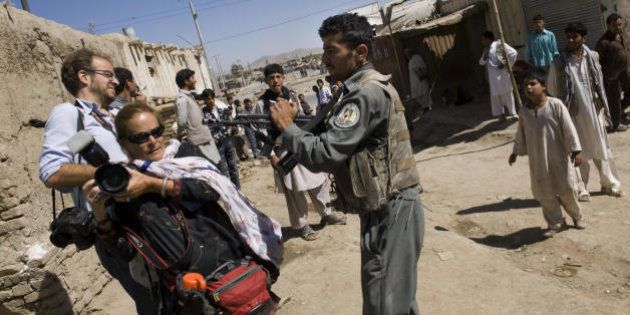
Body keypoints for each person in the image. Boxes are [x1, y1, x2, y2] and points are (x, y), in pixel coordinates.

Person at [270, 13, 424, 314]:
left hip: (391, 210)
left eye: (332, 50)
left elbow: (324, 154)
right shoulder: (357, 89)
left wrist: (288, 129)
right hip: (384, 208)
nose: (325, 59)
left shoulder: (365, 94)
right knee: (395, 298)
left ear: (360, 52)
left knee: (384, 301)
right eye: (323, 50)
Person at [83, 104, 281, 313]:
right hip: (187, 291)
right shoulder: (122, 184)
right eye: (141, 137)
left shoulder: (184, 156)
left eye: (156, 132)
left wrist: (153, 185)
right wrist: (99, 212)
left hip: (230, 265)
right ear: (123, 143)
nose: (152, 141)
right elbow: (124, 251)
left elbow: (209, 189)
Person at [38, 48, 156, 315]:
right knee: (152, 301)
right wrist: (110, 173)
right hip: (114, 225)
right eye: (108, 74)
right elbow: (51, 171)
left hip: (144, 216)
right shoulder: (68, 113)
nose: (115, 80)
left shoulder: (107, 116)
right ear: (84, 77)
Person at [258, 63, 347, 241]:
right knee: (294, 190)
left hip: (300, 142)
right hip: (282, 150)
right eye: (271, 78)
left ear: (283, 77)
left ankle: (327, 214)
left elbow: (301, 121)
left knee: (319, 180)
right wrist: (272, 156)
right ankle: (302, 225)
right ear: (266, 81)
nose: (275, 80)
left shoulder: (291, 96)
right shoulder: (262, 104)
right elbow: (261, 132)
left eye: (278, 76)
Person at [548, 22, 624, 199]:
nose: (571, 40)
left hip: (594, 111)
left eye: (575, 36)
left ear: (584, 38)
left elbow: (599, 84)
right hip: (573, 114)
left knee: (601, 147)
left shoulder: (593, 57)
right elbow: (552, 88)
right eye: (568, 37)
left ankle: (609, 184)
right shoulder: (559, 63)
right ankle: (581, 187)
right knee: (577, 149)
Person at [509, 70, 586, 238]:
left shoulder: (555, 105)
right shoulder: (524, 112)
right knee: (544, 193)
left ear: (543, 86)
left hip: (558, 157)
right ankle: (556, 222)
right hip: (537, 160)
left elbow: (569, 128)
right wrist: (515, 152)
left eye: (532, 84)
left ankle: (577, 216)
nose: (528, 88)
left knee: (567, 189)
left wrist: (576, 150)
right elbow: (520, 133)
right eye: (525, 85)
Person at [174, 68, 221, 165]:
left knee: (216, 168)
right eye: (192, 78)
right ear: (186, 81)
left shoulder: (189, 97)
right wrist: (180, 137)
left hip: (204, 140)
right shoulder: (182, 99)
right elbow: (182, 122)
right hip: (198, 142)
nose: (195, 80)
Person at [200, 88, 241, 189]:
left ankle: (237, 189)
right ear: (204, 100)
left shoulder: (221, 110)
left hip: (227, 141)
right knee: (223, 170)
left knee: (233, 167)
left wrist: (231, 120)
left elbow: (229, 123)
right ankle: (227, 191)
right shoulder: (202, 114)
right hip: (216, 145)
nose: (211, 101)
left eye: (212, 98)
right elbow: (201, 130)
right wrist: (210, 139)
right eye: (208, 99)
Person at [596, 13, 629, 132]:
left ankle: (621, 111)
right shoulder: (603, 42)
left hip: (624, 72)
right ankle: (615, 123)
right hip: (611, 76)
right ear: (608, 26)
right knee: (613, 100)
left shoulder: (620, 35)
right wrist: (606, 77)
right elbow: (598, 62)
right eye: (615, 25)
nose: (618, 27)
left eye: (620, 24)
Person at [479, 30, 518, 120]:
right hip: (493, 77)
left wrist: (506, 64)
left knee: (507, 93)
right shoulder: (486, 49)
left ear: (487, 39)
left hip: (503, 75)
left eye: (483, 39)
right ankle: (500, 115)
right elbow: (481, 62)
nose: (482, 42)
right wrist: (485, 55)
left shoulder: (499, 45)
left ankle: (513, 113)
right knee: (496, 97)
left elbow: (513, 53)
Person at [404, 48, 432, 113]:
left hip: (419, 79)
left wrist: (421, 76)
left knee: (421, 94)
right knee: (421, 94)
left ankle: (426, 107)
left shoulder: (413, 60)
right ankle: (426, 107)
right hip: (418, 79)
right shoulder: (415, 58)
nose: (407, 55)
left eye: (407, 53)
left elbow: (417, 69)